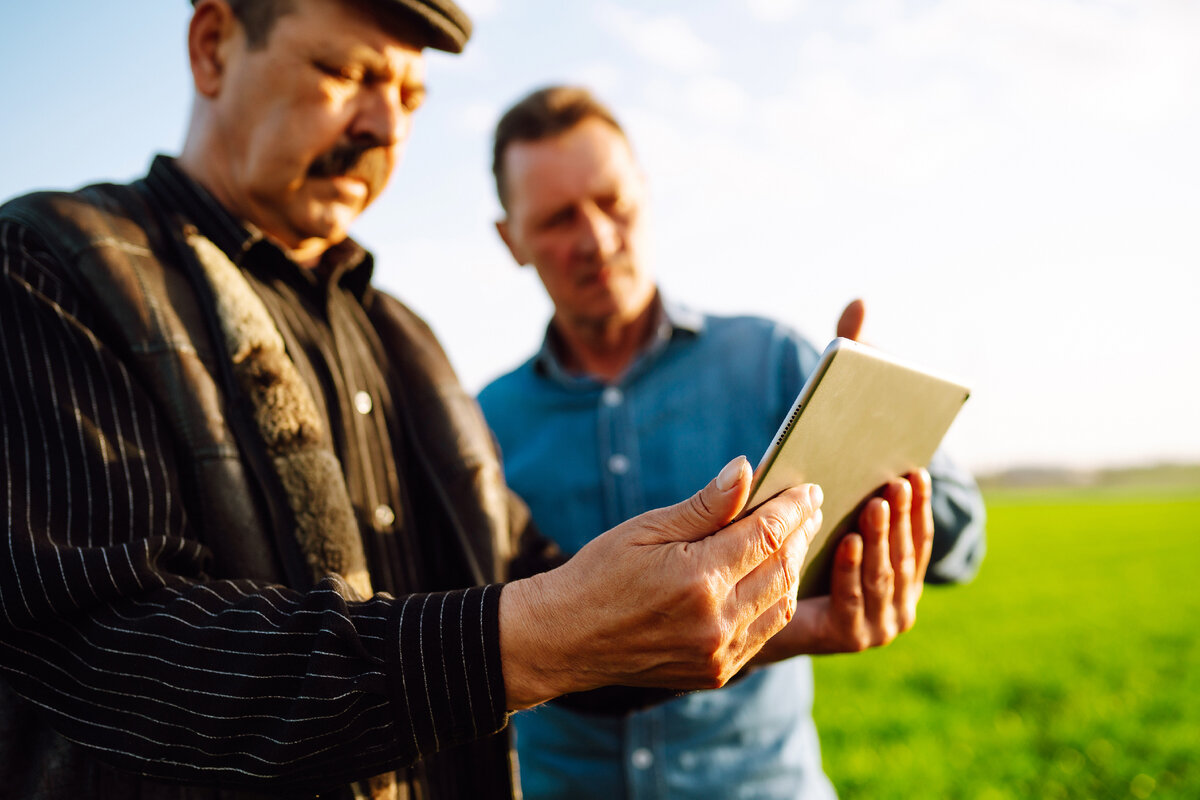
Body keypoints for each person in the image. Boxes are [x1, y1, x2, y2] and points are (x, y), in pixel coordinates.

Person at [0, 3, 878, 798]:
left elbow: (538, 589)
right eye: (345, 74)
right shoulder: (53, 266)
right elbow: (107, 644)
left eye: (411, 97)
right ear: (212, 45)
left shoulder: (403, 336)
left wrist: (774, 617)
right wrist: (521, 640)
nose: (383, 123)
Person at [478, 86, 987, 799]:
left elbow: (964, 538)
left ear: (645, 194)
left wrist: (882, 429)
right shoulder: (479, 426)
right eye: (560, 218)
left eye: (612, 201)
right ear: (511, 240)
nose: (596, 237)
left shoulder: (771, 358)